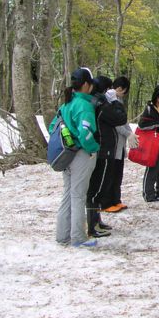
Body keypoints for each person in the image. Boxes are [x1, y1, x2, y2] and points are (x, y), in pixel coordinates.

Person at [51, 67, 100, 248]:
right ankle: (78, 237)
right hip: (81, 155)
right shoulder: (84, 105)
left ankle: (63, 235)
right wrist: (94, 147)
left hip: (66, 155)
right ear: (86, 84)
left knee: (67, 195)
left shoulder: (66, 104)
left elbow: (52, 128)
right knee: (78, 195)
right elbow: (85, 132)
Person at [85, 76, 127, 238]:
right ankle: (93, 225)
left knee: (100, 186)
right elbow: (120, 118)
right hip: (103, 150)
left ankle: (97, 220)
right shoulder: (101, 104)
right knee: (96, 189)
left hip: (105, 149)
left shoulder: (99, 102)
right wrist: (115, 101)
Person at [104, 76, 138, 212]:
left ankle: (116, 199)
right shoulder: (109, 100)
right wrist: (127, 133)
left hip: (120, 144)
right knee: (110, 173)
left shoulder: (119, 101)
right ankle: (107, 201)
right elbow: (116, 123)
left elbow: (123, 121)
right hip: (112, 143)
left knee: (118, 173)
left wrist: (131, 133)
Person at [138, 85, 159, 202]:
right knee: (153, 168)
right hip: (153, 143)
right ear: (155, 97)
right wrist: (157, 123)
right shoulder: (149, 109)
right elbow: (141, 125)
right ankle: (149, 194)